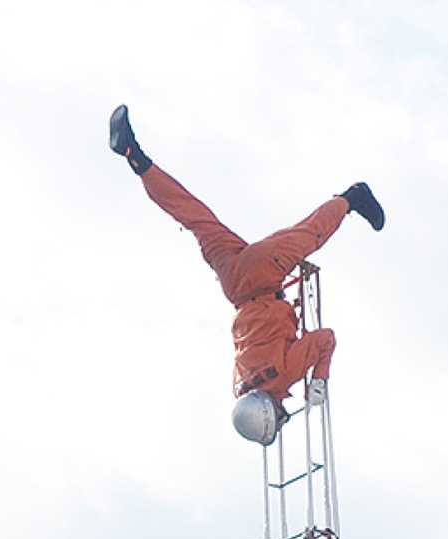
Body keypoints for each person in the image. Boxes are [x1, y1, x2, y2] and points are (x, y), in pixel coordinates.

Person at [107, 106, 385, 436]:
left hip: (264, 274)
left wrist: (320, 377)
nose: (285, 415)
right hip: (234, 285)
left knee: (311, 234)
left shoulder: (283, 378)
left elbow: (325, 339)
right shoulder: (239, 384)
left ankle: (352, 198)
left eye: (280, 419)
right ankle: (135, 158)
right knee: (194, 217)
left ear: (269, 413)